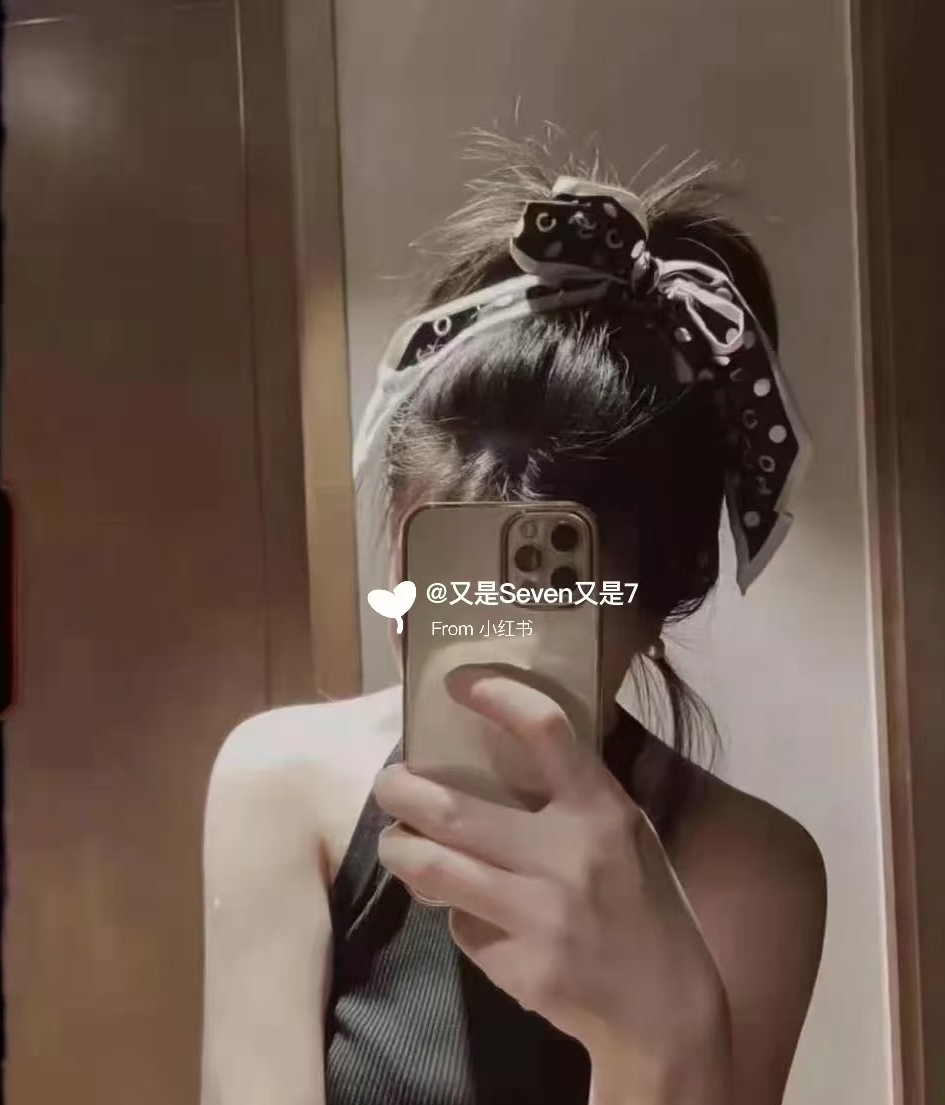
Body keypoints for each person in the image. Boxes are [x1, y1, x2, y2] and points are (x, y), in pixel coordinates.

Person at [200, 135, 827, 1105]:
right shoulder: (282, 787)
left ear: (656, 606)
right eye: (445, 574)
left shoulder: (751, 872)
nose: (484, 636)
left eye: (549, 593)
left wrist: (662, 1038)